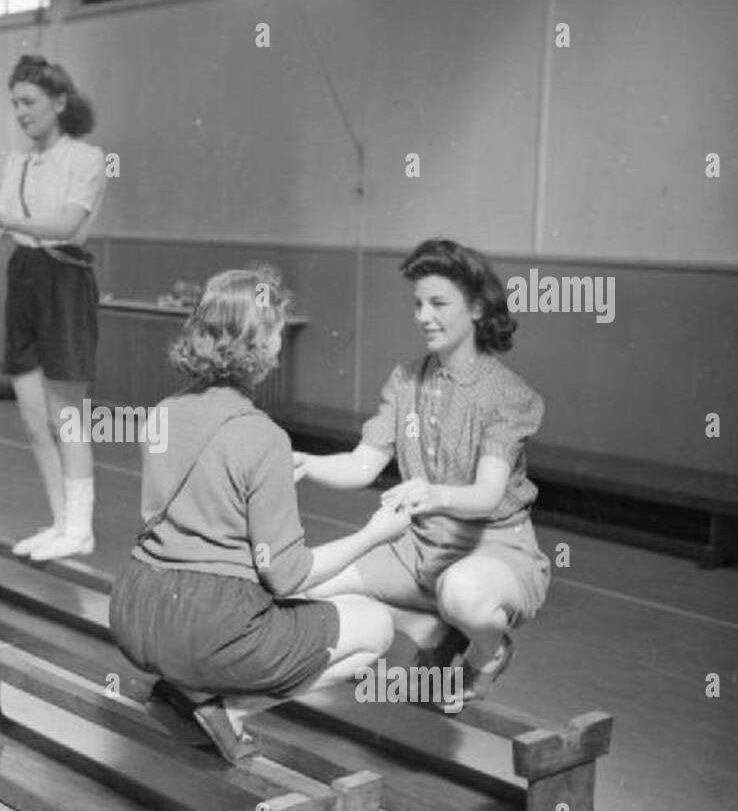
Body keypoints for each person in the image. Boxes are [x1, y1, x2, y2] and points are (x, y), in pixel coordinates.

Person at [108, 269, 411, 763]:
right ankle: (231, 711)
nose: (280, 342)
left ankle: (192, 694)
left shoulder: (161, 413)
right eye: (276, 330)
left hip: (136, 609)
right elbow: (286, 574)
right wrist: (375, 534)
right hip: (206, 628)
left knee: (297, 606)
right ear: (258, 343)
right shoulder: (263, 436)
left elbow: (183, 516)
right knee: (376, 626)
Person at [294, 238, 551, 710]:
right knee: (301, 582)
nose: (423, 316)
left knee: (464, 596)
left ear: (475, 308)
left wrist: (434, 493)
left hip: (493, 550)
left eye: (438, 303)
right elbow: (363, 463)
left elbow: (489, 494)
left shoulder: (506, 394)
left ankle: (486, 654)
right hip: (418, 550)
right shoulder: (405, 379)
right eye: (417, 304)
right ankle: (423, 627)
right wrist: (305, 463)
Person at [0, 55, 108, 562]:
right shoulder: (16, 163)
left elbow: (67, 225)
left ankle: (81, 529)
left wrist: (8, 218)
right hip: (23, 277)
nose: (20, 112)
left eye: (30, 102)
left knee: (68, 414)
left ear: (59, 102)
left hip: (64, 279)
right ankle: (61, 521)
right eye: (14, 103)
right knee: (31, 414)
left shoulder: (86, 159)